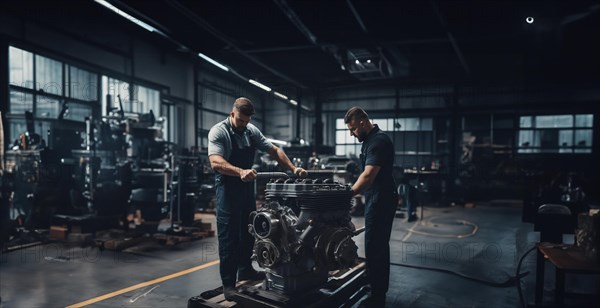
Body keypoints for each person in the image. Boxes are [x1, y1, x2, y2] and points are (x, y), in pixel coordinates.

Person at [207, 97, 308, 300]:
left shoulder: (251, 131)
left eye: (247, 121)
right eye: (241, 121)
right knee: (229, 238)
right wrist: (239, 171)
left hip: (246, 190)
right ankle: (228, 283)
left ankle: (245, 270)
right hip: (227, 189)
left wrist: (293, 168)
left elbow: (275, 150)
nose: (244, 125)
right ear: (232, 114)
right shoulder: (219, 131)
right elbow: (216, 162)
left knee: (249, 232)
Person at [345, 106, 397, 308]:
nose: (351, 134)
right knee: (373, 244)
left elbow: (368, 175)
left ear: (362, 122)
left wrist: (348, 194)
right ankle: (373, 284)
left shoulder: (378, 141)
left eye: (352, 129)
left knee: (376, 247)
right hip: (377, 197)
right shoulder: (370, 140)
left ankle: (378, 297)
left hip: (381, 199)